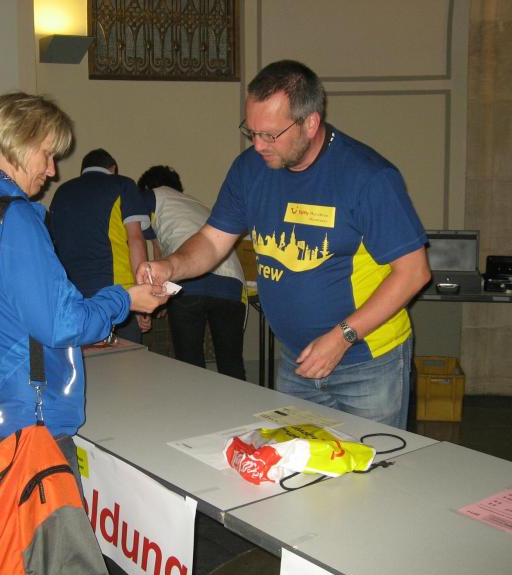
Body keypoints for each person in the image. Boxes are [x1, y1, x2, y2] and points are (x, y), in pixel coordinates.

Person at [139, 60, 431, 428]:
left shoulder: (368, 177)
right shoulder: (250, 170)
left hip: (367, 363)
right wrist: (171, 266)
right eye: (252, 132)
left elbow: (414, 273)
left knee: (372, 463)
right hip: (298, 362)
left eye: (270, 135)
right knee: (296, 463)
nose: (258, 145)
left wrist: (342, 337)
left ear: (310, 122)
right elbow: (212, 241)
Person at [0, 92, 165, 464]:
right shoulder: (16, 218)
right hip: (29, 420)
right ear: (20, 142)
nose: (52, 171)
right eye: (47, 155)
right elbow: (62, 323)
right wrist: (126, 298)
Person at [137, 165, 247, 380]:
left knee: (190, 366)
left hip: (189, 279)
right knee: (231, 364)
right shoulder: (199, 204)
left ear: (148, 187)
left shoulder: (151, 196)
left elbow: (156, 255)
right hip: (232, 282)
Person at [48, 148, 151, 342]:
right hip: (118, 295)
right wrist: (143, 294)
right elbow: (136, 239)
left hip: (73, 299)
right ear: (113, 169)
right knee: (127, 358)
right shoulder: (123, 185)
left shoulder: (61, 192)